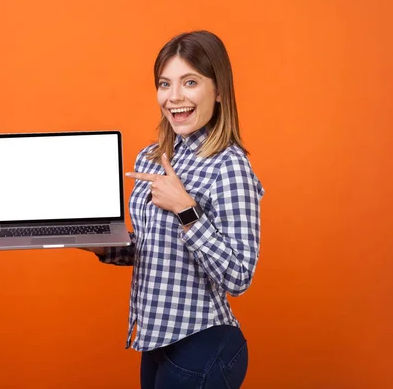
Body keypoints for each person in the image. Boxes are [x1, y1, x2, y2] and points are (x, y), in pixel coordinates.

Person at [84, 30, 265, 389]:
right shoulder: (151, 158)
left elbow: (239, 277)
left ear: (219, 91)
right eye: (165, 84)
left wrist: (186, 210)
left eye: (190, 82)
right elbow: (156, 250)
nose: (175, 97)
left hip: (202, 343)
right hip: (155, 340)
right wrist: (104, 245)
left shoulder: (229, 166)